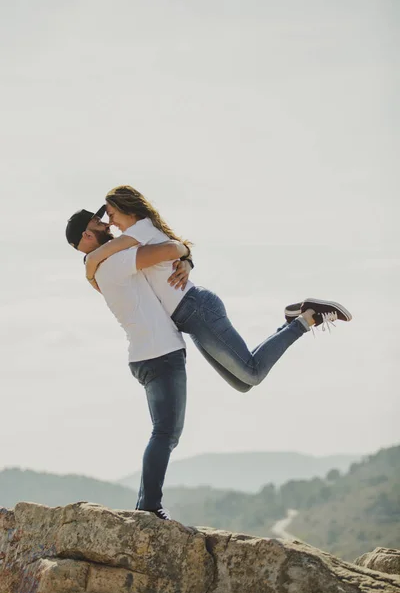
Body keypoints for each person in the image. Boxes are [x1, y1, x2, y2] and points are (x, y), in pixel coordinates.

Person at [84, 185, 352, 394]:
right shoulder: (137, 236)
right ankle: (293, 318)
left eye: (112, 214)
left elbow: (105, 252)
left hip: (196, 309)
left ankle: (308, 316)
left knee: (253, 373)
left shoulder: (140, 229)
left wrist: (89, 262)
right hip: (190, 318)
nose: (112, 222)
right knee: (243, 382)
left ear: (128, 209)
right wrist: (187, 259)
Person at [66, 207, 193, 520]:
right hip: (160, 353)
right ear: (87, 235)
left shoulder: (97, 268)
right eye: (99, 223)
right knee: (165, 433)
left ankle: (144, 505)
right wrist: (185, 253)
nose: (107, 224)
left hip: (142, 355)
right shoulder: (114, 261)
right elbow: (168, 250)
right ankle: (149, 506)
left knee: (161, 432)